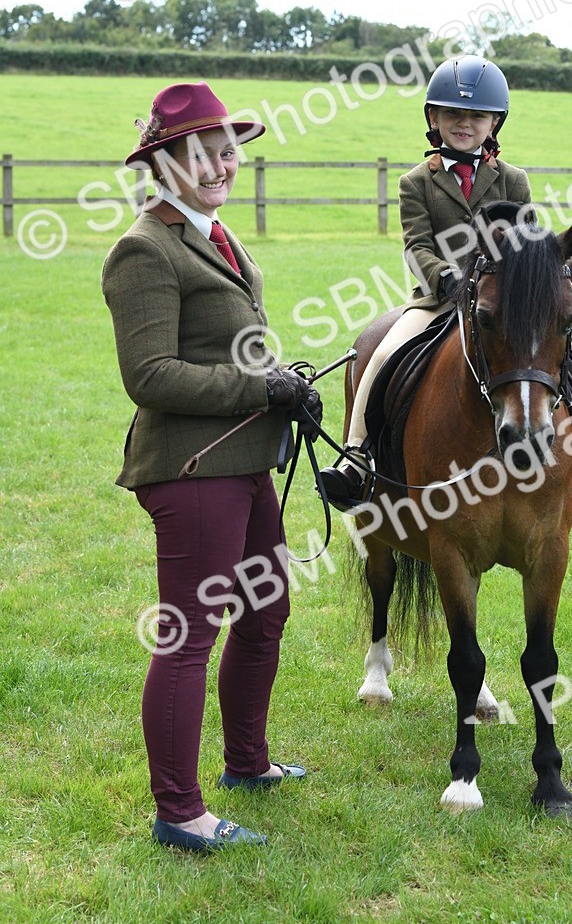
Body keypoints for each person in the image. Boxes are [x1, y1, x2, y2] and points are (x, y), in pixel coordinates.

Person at [102, 81, 321, 852]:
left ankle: (247, 766)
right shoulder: (144, 248)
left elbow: (233, 337)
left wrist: (284, 389)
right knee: (190, 634)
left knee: (267, 613)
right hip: (191, 470)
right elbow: (150, 375)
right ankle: (179, 812)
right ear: (164, 162)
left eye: (229, 151)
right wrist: (256, 386)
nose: (223, 163)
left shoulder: (216, 233)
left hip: (246, 458)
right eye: (203, 153)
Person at [320, 56, 572, 511]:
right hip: (438, 299)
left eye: (475, 116)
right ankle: (355, 456)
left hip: (500, 302)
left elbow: (526, 246)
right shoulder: (416, 182)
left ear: (494, 123)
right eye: (453, 114)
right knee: (382, 353)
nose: (463, 124)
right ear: (434, 118)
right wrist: (444, 277)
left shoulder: (513, 180)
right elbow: (416, 245)